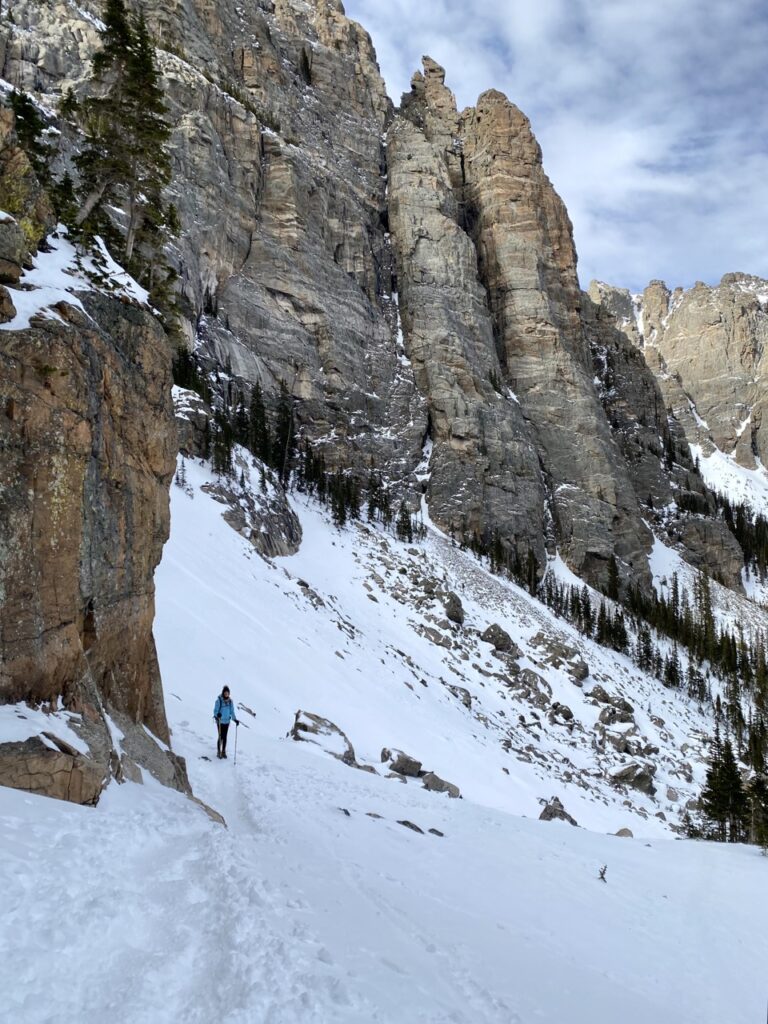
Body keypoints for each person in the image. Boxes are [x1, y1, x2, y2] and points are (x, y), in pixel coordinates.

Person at [213, 686, 239, 759]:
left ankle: (223, 751)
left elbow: (232, 712)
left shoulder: (230, 702)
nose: (226, 694)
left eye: (227, 693)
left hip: (227, 722)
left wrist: (235, 720)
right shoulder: (219, 700)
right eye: (225, 693)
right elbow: (215, 711)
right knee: (220, 736)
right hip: (220, 721)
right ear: (223, 693)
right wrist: (217, 714)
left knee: (225, 737)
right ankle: (219, 751)